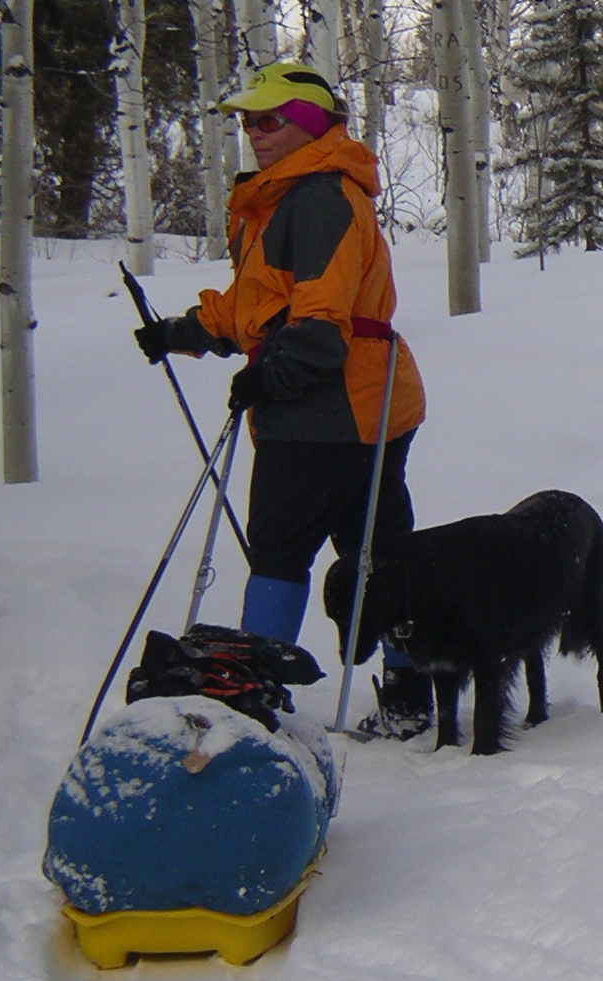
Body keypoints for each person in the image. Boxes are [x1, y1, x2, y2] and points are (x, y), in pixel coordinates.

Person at [133, 61, 433, 737]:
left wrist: (274, 375)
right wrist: (181, 332)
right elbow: (254, 304)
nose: (254, 132)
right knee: (377, 549)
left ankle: (253, 700)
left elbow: (320, 324)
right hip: (364, 400)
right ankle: (412, 691)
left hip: (328, 407)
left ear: (306, 126)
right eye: (248, 120)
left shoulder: (317, 198)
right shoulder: (289, 198)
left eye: (268, 120)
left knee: (283, 549)